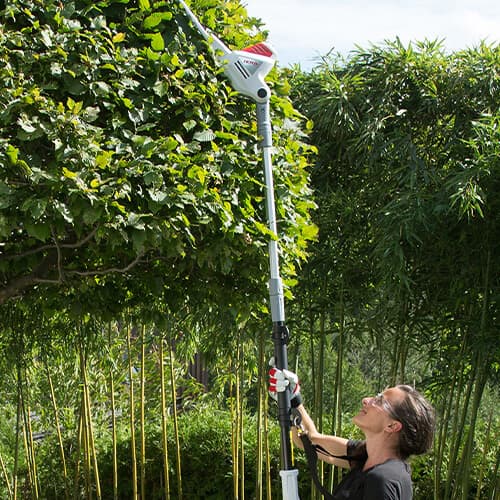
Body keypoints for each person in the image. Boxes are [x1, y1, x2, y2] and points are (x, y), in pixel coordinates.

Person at [269, 367, 435, 500]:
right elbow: (309, 441)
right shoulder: (365, 457)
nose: (366, 399)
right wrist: (293, 399)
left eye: (379, 401)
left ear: (392, 426)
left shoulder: (383, 480)